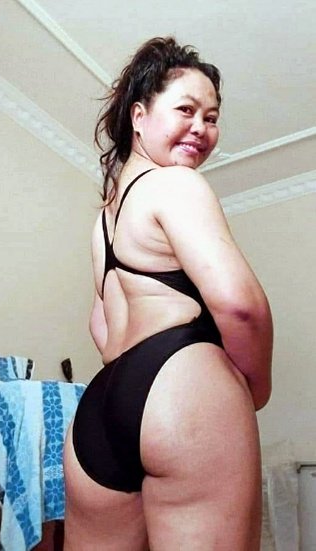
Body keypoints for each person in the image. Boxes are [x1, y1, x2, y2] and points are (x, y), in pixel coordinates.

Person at [63, 36, 273, 550]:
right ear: (139, 116)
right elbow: (240, 305)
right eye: (186, 109)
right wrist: (255, 388)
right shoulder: (175, 184)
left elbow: (101, 325)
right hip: (181, 389)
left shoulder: (104, 221)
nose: (201, 127)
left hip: (100, 411)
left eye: (211, 117)